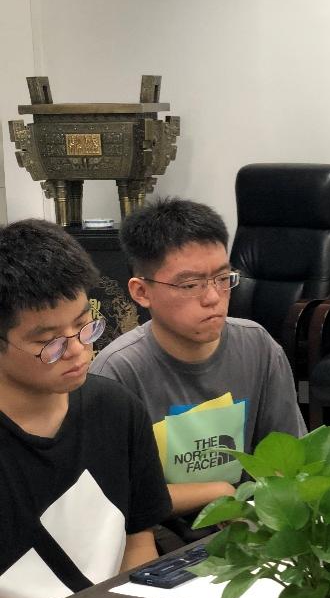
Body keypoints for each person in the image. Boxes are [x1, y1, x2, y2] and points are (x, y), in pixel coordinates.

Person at [90, 198, 306, 528]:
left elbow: (287, 460)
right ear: (142, 292)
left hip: (245, 526)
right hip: (156, 537)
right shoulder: (117, 372)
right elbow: (115, 498)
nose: (213, 298)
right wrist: (219, 492)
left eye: (223, 278)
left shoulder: (258, 346)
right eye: (190, 285)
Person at [0, 220, 170, 598]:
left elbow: (138, 538)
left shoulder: (115, 408)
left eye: (83, 325)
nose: (77, 350)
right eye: (50, 342)